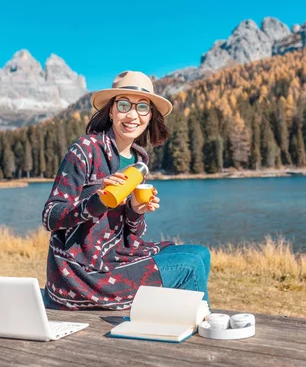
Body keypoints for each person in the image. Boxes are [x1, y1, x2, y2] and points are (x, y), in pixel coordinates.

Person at [42, 71, 210, 310]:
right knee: (189, 265)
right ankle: (198, 326)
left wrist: (134, 211)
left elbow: (132, 236)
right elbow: (50, 217)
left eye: (142, 107)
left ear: (150, 115)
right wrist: (97, 200)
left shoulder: (139, 160)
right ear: (111, 111)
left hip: (116, 257)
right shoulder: (85, 149)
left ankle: (175, 321)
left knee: (200, 254)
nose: (133, 115)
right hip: (81, 273)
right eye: (124, 105)